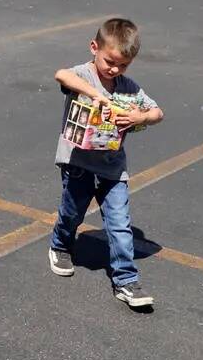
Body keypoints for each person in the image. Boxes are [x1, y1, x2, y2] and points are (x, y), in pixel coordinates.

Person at [49, 18, 164, 307]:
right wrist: (97, 95)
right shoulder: (84, 75)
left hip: (113, 166)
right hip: (78, 161)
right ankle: (61, 244)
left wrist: (141, 117)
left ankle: (126, 280)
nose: (115, 69)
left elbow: (157, 112)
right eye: (110, 61)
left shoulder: (127, 87)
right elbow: (61, 75)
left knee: (119, 223)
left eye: (123, 65)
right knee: (73, 211)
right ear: (94, 48)